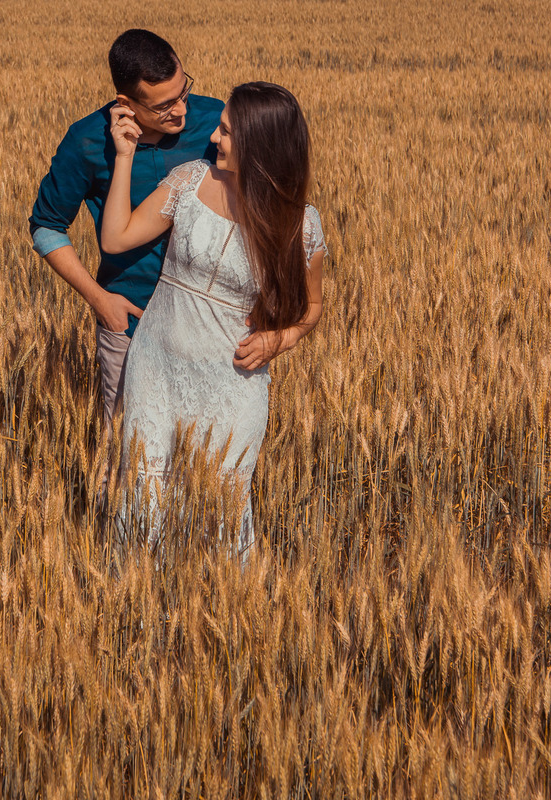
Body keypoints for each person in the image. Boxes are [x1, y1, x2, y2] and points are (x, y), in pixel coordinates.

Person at [101, 82, 327, 555]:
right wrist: (124, 156)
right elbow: (116, 238)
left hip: (233, 383)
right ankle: (140, 618)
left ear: (260, 146)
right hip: (156, 369)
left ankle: (215, 621)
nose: (213, 139)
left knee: (221, 509)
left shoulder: (300, 224)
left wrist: (278, 341)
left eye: (226, 132)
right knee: (144, 495)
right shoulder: (189, 180)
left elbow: (312, 309)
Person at [28, 29, 224, 424]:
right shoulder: (86, 141)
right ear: (126, 103)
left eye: (183, 91)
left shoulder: (215, 123)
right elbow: (46, 226)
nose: (182, 111)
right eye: (165, 106)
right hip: (131, 320)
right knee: (124, 457)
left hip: (208, 325)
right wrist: (101, 301)